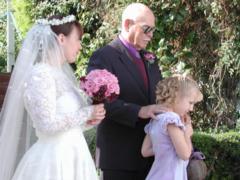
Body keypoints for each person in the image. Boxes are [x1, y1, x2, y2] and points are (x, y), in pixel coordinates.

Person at [0, 15, 105, 180]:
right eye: (77, 39)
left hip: (76, 156)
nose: (79, 46)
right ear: (62, 38)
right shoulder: (41, 75)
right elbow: (46, 124)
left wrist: (89, 120)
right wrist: (86, 113)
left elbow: (68, 123)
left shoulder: (61, 75)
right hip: (54, 162)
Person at [87, 3, 164, 180]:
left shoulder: (150, 58)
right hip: (119, 157)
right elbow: (101, 103)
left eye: (153, 30)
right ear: (128, 24)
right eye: (147, 29)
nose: (151, 35)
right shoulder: (104, 56)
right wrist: (140, 111)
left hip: (152, 156)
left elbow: (159, 94)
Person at [141, 75, 203, 180]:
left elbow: (145, 151)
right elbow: (185, 154)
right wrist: (187, 135)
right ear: (176, 96)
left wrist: (169, 148)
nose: (191, 108)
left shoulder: (155, 118)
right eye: (190, 103)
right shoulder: (172, 119)